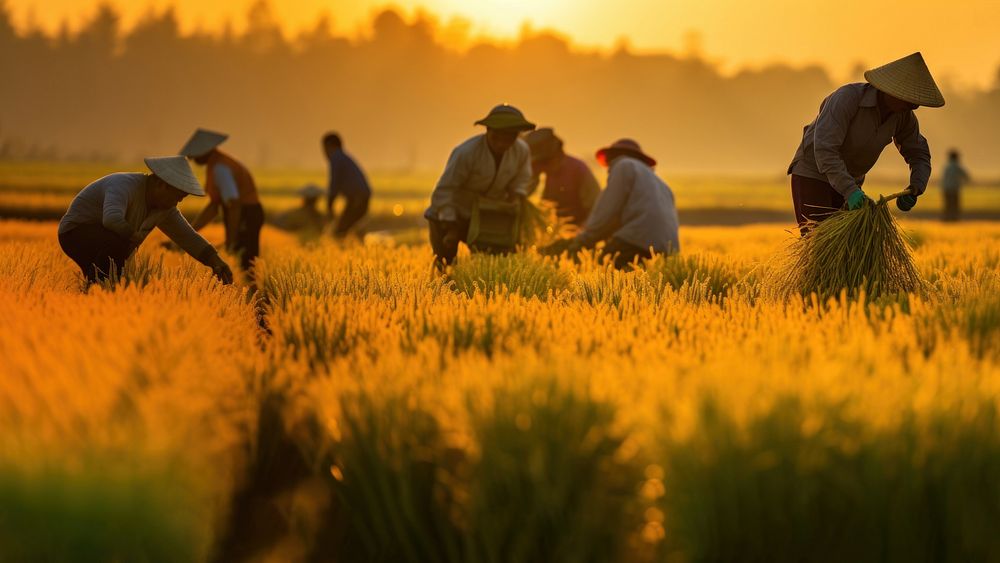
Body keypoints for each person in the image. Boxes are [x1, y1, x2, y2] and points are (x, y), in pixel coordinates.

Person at [787, 52, 945, 234]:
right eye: (910, 100)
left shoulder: (904, 117)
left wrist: (916, 186)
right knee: (818, 243)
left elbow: (919, 153)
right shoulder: (847, 99)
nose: (914, 107)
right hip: (814, 175)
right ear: (891, 91)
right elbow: (824, 149)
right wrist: (850, 191)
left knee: (849, 248)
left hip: (849, 182)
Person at [58, 156, 233, 285]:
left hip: (107, 239)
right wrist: (133, 237)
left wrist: (215, 261)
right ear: (161, 185)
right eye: (177, 197)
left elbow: (187, 236)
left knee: (114, 270)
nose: (177, 203)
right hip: (75, 232)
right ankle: (99, 293)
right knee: (116, 252)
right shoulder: (123, 185)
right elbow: (111, 219)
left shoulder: (164, 208)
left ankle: (96, 295)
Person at [425, 104, 535, 265]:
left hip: (486, 214)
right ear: (487, 131)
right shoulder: (466, 152)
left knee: (491, 262)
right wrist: (450, 226)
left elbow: (523, 178)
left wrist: (516, 195)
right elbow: (446, 190)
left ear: (516, 136)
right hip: (451, 212)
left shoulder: (521, 151)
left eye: (509, 138)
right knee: (445, 262)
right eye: (497, 137)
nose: (502, 144)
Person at [561, 139, 680, 269]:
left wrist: (583, 240)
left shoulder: (624, 165)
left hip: (636, 240)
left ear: (613, 157)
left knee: (602, 269)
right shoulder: (661, 183)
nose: (608, 169)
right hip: (669, 251)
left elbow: (607, 211)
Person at [180, 128, 264, 272]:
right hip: (246, 212)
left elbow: (233, 204)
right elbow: (214, 206)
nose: (194, 160)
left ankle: (252, 290)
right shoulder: (218, 164)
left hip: (246, 215)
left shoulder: (220, 169)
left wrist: (231, 237)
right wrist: (189, 234)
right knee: (241, 256)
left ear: (205, 151)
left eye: (195, 155)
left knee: (246, 259)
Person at [524, 127, 601, 227]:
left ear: (558, 153)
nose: (542, 166)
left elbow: (595, 207)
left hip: (577, 231)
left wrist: (583, 233)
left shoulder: (578, 169)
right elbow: (523, 196)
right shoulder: (537, 173)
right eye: (539, 162)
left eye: (545, 161)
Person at [323, 132, 372, 239]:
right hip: (359, 197)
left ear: (330, 146)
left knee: (341, 230)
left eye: (325, 148)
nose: (324, 153)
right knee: (348, 228)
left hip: (357, 199)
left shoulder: (336, 158)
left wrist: (329, 205)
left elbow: (334, 185)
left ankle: (347, 251)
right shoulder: (343, 157)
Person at [941, 149, 970, 222]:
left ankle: (947, 218)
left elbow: (943, 178)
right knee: (955, 205)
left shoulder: (946, 166)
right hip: (954, 189)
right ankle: (954, 219)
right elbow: (966, 176)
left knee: (948, 205)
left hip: (946, 188)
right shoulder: (957, 166)